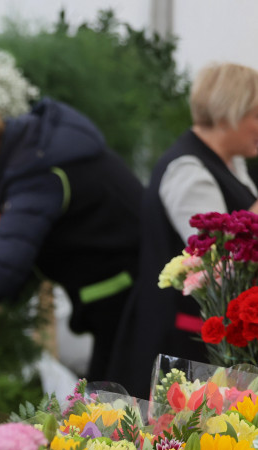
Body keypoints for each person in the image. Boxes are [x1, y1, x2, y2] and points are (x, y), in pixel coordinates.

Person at [0, 98, 143, 381]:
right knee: (110, 406)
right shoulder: (41, 151)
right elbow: (26, 258)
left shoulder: (35, 175)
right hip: (131, 290)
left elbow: (1, 274)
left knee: (114, 409)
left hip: (128, 301)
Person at [107, 62, 258, 398]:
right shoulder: (188, 170)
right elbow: (223, 261)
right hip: (179, 348)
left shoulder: (231, 163)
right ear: (228, 112)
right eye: (256, 115)